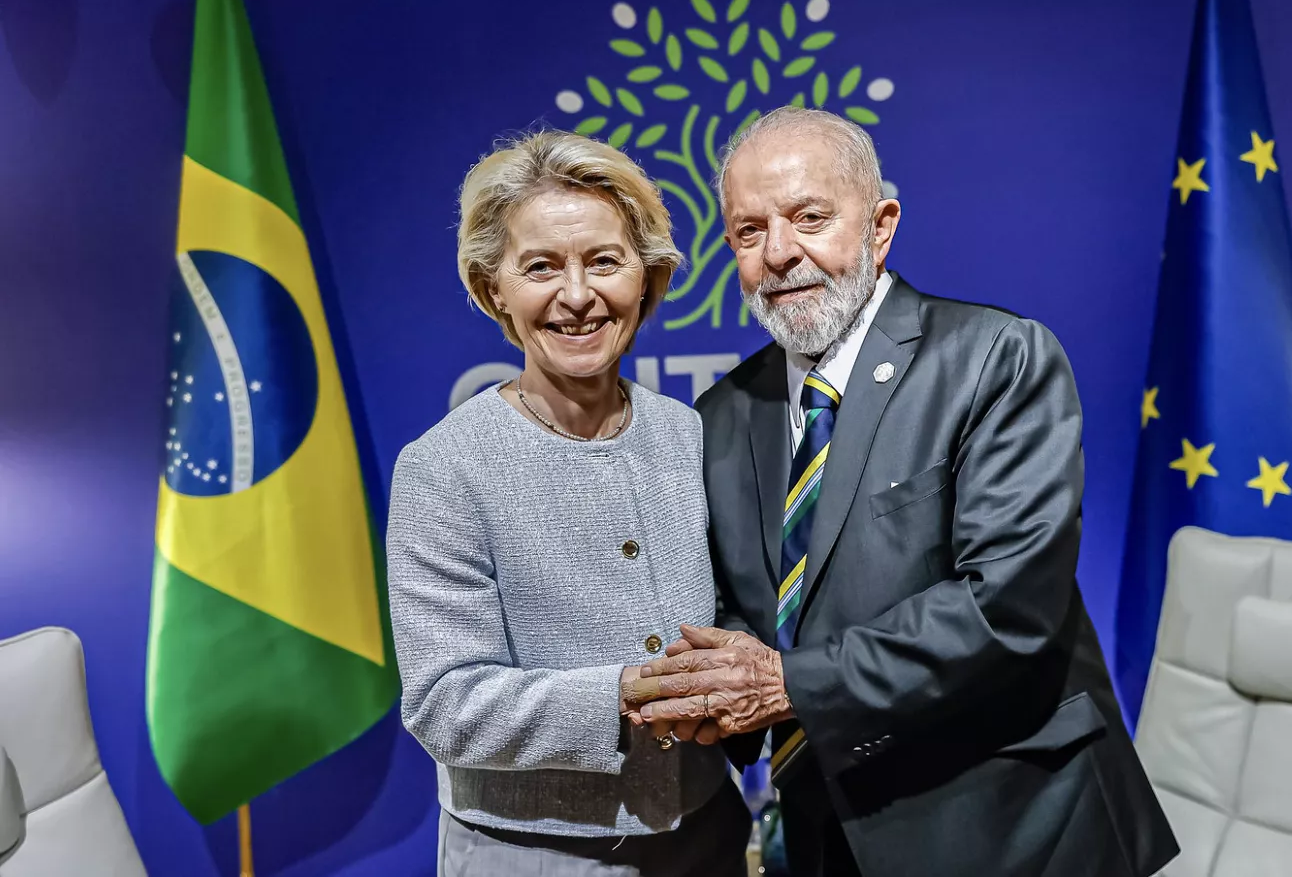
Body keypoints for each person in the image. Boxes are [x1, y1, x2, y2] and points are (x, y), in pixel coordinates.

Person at [632, 107, 1180, 876]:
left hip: (1015, 824)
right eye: (749, 232)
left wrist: (786, 683)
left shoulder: (995, 360)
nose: (780, 252)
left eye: (809, 217)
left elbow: (1006, 605)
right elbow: (738, 608)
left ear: (881, 226)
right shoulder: (722, 414)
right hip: (828, 831)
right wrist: (709, 692)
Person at [386, 130, 750, 877]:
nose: (578, 296)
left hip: (707, 833)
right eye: (541, 267)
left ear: (646, 280)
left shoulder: (691, 434)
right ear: (496, 291)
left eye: (605, 262)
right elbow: (442, 702)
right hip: (531, 853)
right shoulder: (442, 469)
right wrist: (623, 693)